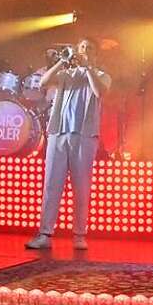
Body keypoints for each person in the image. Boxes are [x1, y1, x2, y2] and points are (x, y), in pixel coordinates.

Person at [25, 37, 111, 251]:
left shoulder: (101, 75)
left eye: (88, 48)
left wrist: (87, 66)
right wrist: (61, 62)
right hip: (58, 133)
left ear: (95, 53)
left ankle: (79, 235)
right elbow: (43, 82)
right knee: (51, 185)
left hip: (84, 135)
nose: (83, 51)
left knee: (81, 187)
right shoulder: (66, 75)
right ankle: (45, 234)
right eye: (81, 47)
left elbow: (99, 91)